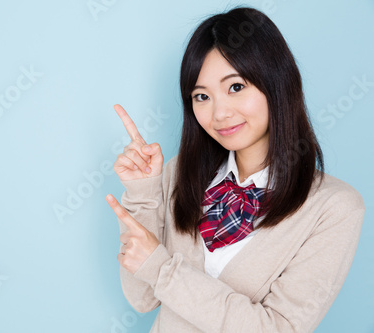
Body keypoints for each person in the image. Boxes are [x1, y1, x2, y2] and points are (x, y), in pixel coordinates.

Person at [105, 6, 365, 333]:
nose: (219, 113)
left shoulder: (334, 207)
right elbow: (142, 298)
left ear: (276, 83)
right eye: (202, 96)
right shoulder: (180, 174)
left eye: (236, 87)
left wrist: (162, 270)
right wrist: (143, 194)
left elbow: (278, 328)